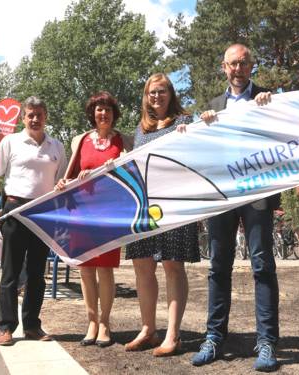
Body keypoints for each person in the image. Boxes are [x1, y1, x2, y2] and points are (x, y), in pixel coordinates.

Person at [190, 44, 280, 372]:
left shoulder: (269, 100)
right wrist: (199, 126)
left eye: (243, 63)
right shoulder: (212, 107)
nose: (238, 68)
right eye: (233, 64)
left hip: (257, 193)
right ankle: (214, 337)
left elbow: (285, 139)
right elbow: (198, 150)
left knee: (262, 266)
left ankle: (267, 342)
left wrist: (272, 109)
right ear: (223, 68)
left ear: (251, 66)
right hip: (222, 195)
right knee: (218, 267)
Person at [123, 73, 200, 357]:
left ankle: (173, 334)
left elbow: (193, 157)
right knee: (142, 265)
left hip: (175, 202)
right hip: (144, 204)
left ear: (171, 94)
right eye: (152, 92)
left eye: (162, 91)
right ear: (146, 96)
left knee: (172, 266)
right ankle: (148, 329)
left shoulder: (184, 122)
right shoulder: (141, 129)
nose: (156, 97)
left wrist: (188, 140)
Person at [0, 96, 67, 346]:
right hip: (15, 210)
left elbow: (62, 183)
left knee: (36, 274)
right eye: (30, 114)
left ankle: (32, 325)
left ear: (46, 117)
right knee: (10, 272)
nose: (35, 119)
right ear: (23, 118)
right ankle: (6, 326)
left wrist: (63, 190)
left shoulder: (57, 147)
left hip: (44, 212)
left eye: (39, 114)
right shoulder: (11, 142)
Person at [56, 91, 133, 347]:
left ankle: (105, 323)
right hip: (82, 211)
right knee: (86, 269)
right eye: (99, 109)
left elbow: (132, 172)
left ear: (113, 114)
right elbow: (70, 174)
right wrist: (63, 182)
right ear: (92, 113)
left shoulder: (123, 140)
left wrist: (119, 164)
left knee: (105, 269)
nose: (104, 113)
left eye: (108, 109)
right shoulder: (80, 139)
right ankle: (91, 321)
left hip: (109, 213)